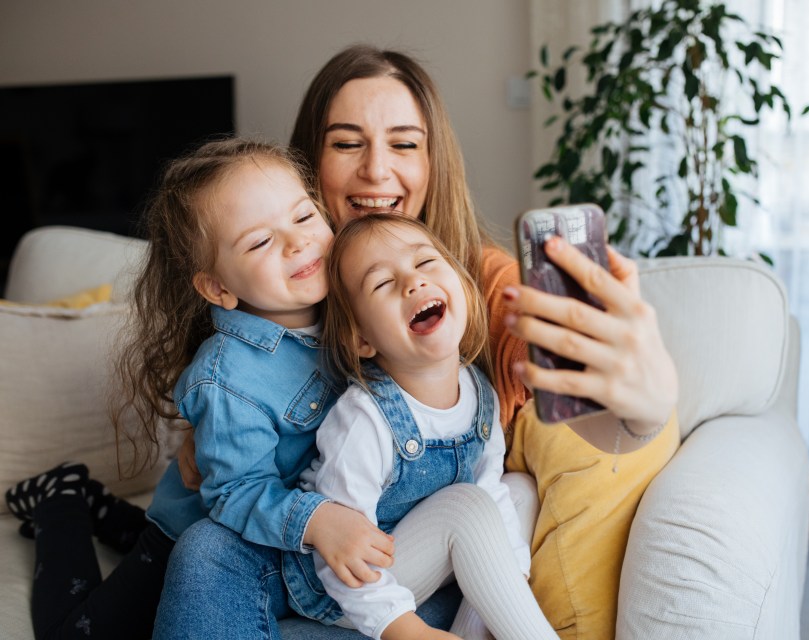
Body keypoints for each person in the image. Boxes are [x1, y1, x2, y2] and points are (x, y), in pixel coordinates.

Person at [157, 44, 680, 639]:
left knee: (512, 494)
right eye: (347, 143)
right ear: (309, 166)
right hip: (310, 571)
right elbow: (225, 469)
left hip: (416, 565)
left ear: (434, 163)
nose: (377, 171)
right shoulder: (274, 289)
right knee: (202, 548)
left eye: (404, 143)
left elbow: (578, 418)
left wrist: (647, 406)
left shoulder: (471, 286)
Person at [2, 137, 390, 639]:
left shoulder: (356, 305)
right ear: (218, 288)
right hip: (189, 534)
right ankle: (63, 500)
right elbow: (233, 493)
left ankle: (102, 508)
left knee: (143, 528)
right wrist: (318, 523)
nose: (297, 243)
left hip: (249, 537)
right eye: (259, 242)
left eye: (302, 217)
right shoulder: (227, 379)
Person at [289, 212, 557, 639]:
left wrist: (508, 581)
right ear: (362, 339)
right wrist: (403, 629)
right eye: (382, 284)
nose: (412, 283)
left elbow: (490, 490)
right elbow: (341, 552)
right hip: (343, 587)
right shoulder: (364, 418)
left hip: (418, 553)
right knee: (467, 506)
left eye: (426, 263)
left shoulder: (480, 393)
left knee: (518, 491)